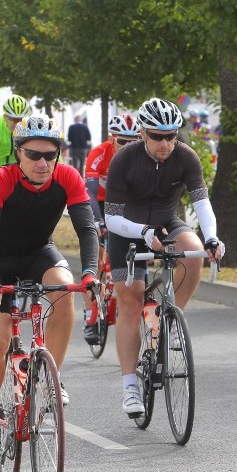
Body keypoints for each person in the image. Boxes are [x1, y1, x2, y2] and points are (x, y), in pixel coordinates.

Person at [0, 113, 98, 464]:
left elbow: (87, 230)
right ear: (18, 154)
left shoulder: (68, 177)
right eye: (33, 155)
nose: (43, 163)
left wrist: (89, 274)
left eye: (50, 155)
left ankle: (48, 380)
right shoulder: (0, 179)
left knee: (63, 287)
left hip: (38, 253)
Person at [104, 97, 224, 418]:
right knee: (129, 299)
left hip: (166, 220)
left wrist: (211, 237)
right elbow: (111, 219)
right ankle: (130, 384)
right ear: (142, 133)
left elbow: (201, 203)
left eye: (171, 135)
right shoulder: (124, 160)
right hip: (128, 228)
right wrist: (141, 232)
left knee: (194, 250)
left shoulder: (185, 156)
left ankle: (169, 320)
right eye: (157, 136)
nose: (165, 143)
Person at [82, 113, 142, 343]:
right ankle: (90, 317)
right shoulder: (99, 154)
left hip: (124, 205)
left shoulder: (140, 157)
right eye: (122, 142)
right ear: (111, 138)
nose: (128, 146)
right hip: (99, 203)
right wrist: (98, 222)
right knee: (96, 260)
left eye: (133, 141)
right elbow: (89, 192)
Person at [0, 94, 31, 176]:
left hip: (16, 169)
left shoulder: (29, 127)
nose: (17, 124)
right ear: (5, 117)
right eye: (13, 119)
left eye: (20, 120)